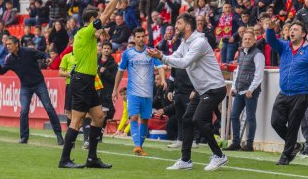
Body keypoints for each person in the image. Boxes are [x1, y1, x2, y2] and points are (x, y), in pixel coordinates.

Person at [147, 13, 228, 171]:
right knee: (186, 119)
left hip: (214, 88)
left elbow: (183, 63)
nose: (175, 26)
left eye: (179, 23)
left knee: (198, 120)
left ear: (188, 26)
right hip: (201, 90)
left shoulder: (199, 42)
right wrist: (161, 57)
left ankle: (219, 156)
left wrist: (162, 57)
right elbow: (175, 58)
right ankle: (186, 160)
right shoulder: (185, 43)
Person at [58, 0, 126, 169]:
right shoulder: (86, 32)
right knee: (77, 120)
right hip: (81, 81)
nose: (103, 27)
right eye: (99, 22)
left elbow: (104, 19)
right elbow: (107, 13)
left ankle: (92, 159)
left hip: (87, 81)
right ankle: (64, 160)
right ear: (92, 21)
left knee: (98, 117)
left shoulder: (86, 35)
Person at [265, 20, 308, 165]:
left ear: (303, 34)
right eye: (290, 29)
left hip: (302, 93)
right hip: (284, 92)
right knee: (275, 122)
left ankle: (286, 156)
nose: (292, 32)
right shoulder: (284, 46)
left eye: (295, 29)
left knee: (294, 124)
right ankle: (294, 145)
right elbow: (270, 40)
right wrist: (270, 29)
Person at [0, 36, 63, 145]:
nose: (8, 46)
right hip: (25, 87)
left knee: (48, 107)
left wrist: (47, 58)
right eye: (7, 44)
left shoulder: (28, 51)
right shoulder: (9, 59)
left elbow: (43, 54)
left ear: (16, 45)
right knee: (24, 111)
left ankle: (59, 135)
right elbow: (2, 72)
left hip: (39, 84)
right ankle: (24, 137)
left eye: (10, 44)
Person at [113, 27, 167, 156]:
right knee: (133, 117)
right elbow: (120, 72)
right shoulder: (128, 54)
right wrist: (115, 89)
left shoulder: (151, 52)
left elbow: (160, 67)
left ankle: (140, 147)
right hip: (133, 92)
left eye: (143, 36)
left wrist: (163, 80)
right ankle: (137, 145)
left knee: (144, 120)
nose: (141, 38)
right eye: (138, 36)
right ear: (134, 38)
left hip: (147, 93)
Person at [224, 30, 265, 152]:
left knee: (251, 117)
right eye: (245, 39)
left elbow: (259, 74)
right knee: (234, 115)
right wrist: (234, 87)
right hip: (240, 90)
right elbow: (238, 71)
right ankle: (236, 142)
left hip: (250, 91)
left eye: (249, 39)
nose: (247, 41)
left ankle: (249, 143)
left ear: (254, 40)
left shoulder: (258, 54)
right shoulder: (242, 53)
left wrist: (251, 89)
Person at [59, 51, 76, 127]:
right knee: (68, 109)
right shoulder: (67, 57)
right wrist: (69, 74)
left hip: (82, 85)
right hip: (70, 85)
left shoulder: (84, 56)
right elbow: (60, 73)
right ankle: (70, 128)